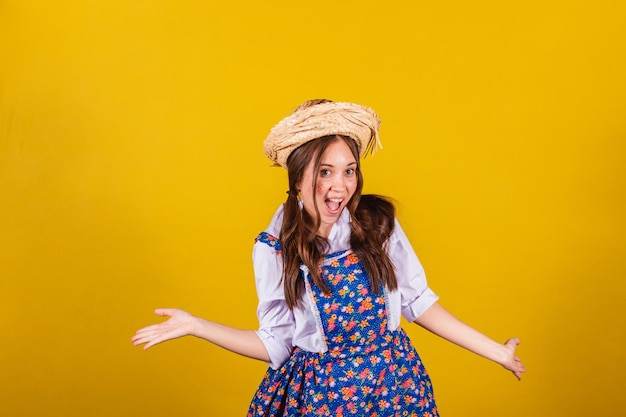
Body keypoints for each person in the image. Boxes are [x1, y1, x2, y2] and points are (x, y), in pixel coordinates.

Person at [132, 99, 526, 416]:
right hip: (323, 400)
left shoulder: (377, 224)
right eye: (325, 172)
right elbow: (276, 345)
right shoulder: (274, 248)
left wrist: (497, 352)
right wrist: (196, 325)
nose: (340, 186)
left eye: (350, 171)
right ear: (298, 179)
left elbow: (418, 303)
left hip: (397, 388)